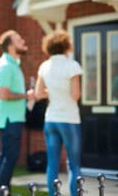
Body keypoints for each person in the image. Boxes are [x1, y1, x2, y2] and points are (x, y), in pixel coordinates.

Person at [35, 29, 82, 196]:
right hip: (70, 120)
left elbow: (39, 93)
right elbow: (75, 95)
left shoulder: (44, 66)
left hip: (51, 120)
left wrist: (53, 91)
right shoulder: (72, 65)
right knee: (74, 164)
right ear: (66, 46)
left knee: (52, 163)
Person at [0, 30, 35, 196]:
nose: (23, 40)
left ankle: (1, 191)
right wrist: (26, 95)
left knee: (6, 157)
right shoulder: (5, 66)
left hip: (12, 119)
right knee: (9, 158)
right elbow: (3, 94)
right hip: (9, 119)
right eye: (19, 39)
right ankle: (2, 192)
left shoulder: (13, 64)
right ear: (10, 46)